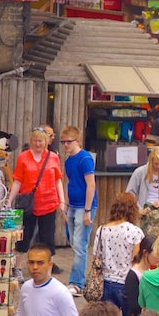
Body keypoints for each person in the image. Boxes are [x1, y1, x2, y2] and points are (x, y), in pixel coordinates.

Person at [92, 193, 145, 316]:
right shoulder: (135, 232)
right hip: (128, 284)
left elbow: (96, 257)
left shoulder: (102, 230)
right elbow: (137, 261)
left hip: (106, 284)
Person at [10, 244, 80, 316]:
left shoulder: (60, 292)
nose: (35, 267)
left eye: (40, 263)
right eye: (31, 262)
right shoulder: (26, 287)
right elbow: (21, 314)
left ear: (50, 265)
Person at [9, 127, 65, 258]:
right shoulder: (23, 157)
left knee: (47, 240)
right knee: (23, 238)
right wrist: (9, 199)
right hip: (29, 204)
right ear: (31, 141)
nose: (38, 144)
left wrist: (62, 201)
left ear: (46, 141)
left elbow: (58, 180)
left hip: (48, 203)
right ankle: (16, 269)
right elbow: (18, 181)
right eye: (35, 141)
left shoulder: (53, 157)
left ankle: (47, 269)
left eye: (40, 141)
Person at [60, 125, 97, 296]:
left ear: (77, 141)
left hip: (84, 206)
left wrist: (88, 210)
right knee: (73, 242)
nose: (66, 145)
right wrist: (66, 205)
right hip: (73, 205)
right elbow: (69, 183)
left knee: (80, 245)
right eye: (63, 142)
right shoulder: (68, 161)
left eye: (69, 142)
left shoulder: (85, 159)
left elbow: (91, 184)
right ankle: (76, 280)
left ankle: (77, 283)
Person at [123, 233, 157, 316]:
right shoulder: (133, 275)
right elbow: (134, 306)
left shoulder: (150, 271)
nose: (158, 256)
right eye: (156, 252)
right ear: (145, 252)